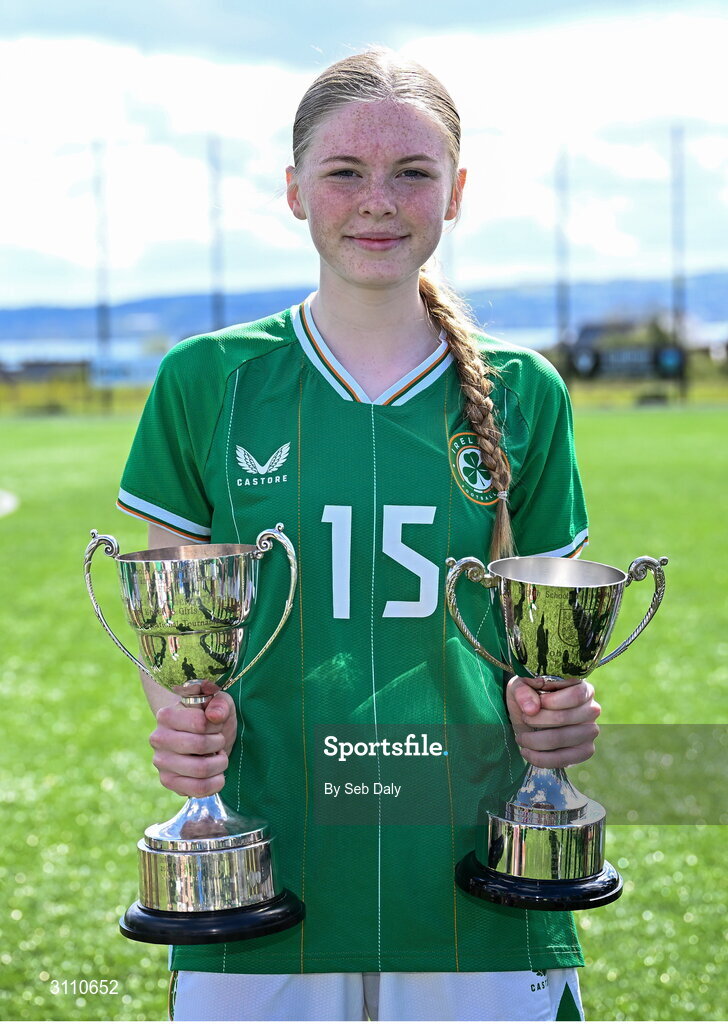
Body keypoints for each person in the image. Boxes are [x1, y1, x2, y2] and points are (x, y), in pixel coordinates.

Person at [117, 49, 600, 1022]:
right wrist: (177, 717)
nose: (376, 200)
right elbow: (170, 629)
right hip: (260, 863)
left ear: (454, 192)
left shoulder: (523, 392)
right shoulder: (209, 379)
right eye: (344, 171)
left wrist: (563, 709)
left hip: (471, 865)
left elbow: (544, 635)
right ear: (293, 189)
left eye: (411, 173)